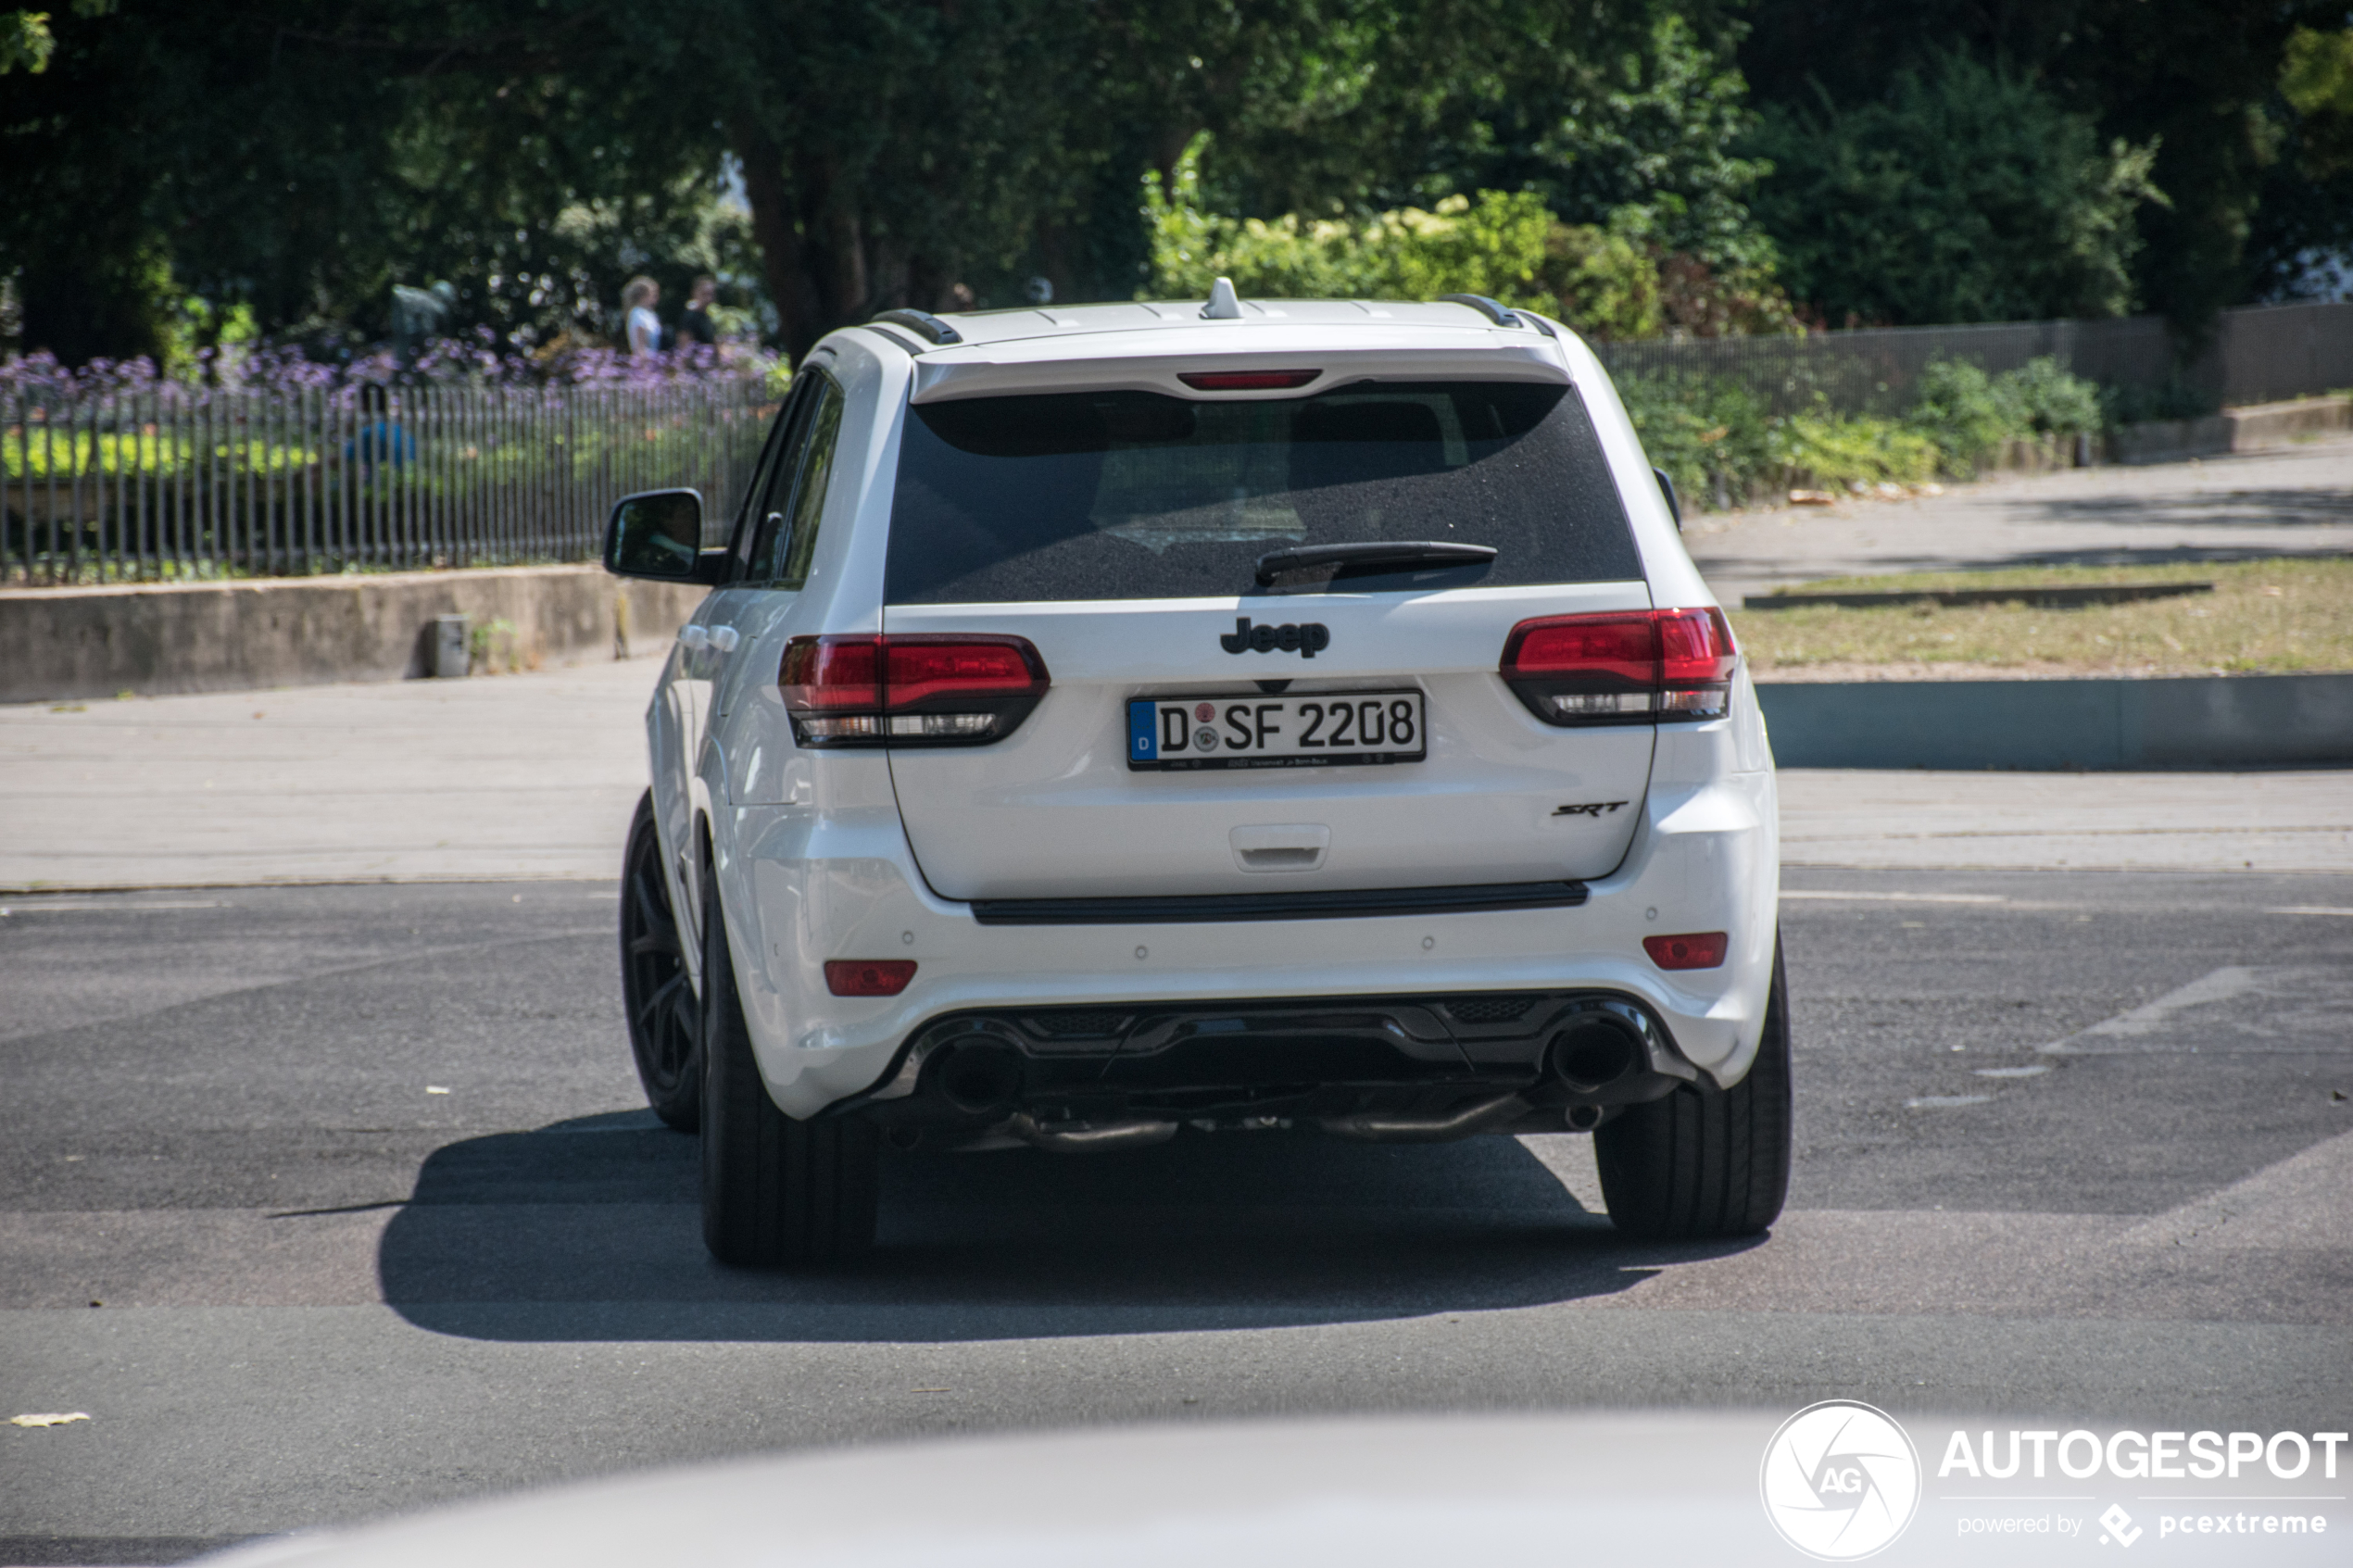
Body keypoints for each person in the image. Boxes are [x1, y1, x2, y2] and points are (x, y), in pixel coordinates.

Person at [623, 276, 662, 358]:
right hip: (645, 362)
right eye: (652, 295)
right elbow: (640, 347)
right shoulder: (637, 314)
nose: (655, 299)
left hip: (654, 360)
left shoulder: (650, 315)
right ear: (643, 296)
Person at [678, 274, 719, 349]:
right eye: (705, 294)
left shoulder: (708, 317)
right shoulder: (689, 317)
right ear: (695, 293)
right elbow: (684, 346)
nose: (708, 298)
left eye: (711, 294)